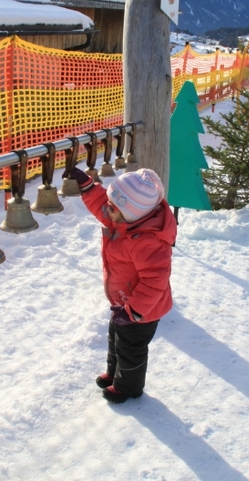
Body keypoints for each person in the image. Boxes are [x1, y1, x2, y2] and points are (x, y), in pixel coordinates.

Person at [66, 166, 177, 403]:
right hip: (122, 302)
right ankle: (115, 375)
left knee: (131, 349)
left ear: (131, 212)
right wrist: (87, 184)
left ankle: (128, 387)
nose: (107, 209)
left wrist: (134, 311)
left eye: (113, 207)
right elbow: (99, 204)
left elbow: (154, 283)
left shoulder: (148, 243)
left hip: (142, 311)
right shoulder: (122, 218)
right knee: (116, 340)